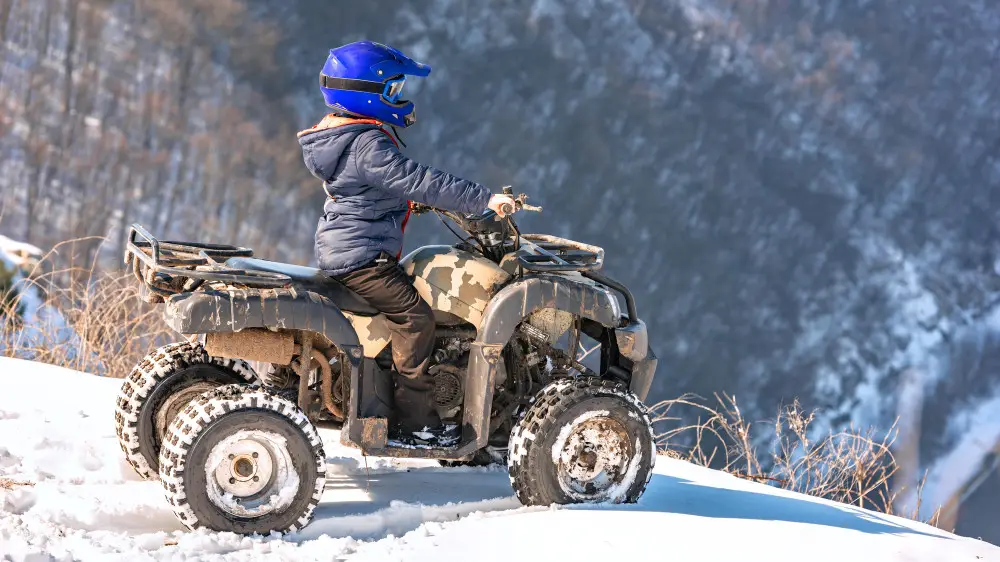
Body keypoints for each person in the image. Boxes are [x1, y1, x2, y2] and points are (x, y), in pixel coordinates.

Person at [297, 40, 514, 441]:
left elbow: (368, 190)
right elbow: (417, 179)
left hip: (346, 248)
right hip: (362, 258)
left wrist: (408, 204)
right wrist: (483, 199)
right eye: (392, 89)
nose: (399, 96)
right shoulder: (367, 143)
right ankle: (417, 424)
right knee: (415, 319)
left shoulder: (340, 134)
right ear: (364, 93)